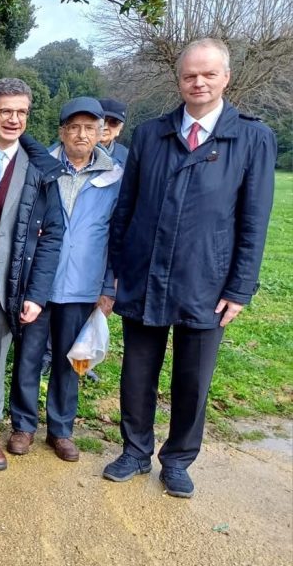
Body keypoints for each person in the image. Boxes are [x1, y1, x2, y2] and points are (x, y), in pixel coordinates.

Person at [104, 38, 276, 497]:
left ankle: (178, 459)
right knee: (137, 371)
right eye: (189, 75)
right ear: (178, 80)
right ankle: (135, 451)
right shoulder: (149, 134)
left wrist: (240, 288)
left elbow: (254, 220)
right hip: (144, 274)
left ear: (226, 78)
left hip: (207, 278)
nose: (198, 83)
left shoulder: (252, 137)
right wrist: (118, 266)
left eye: (208, 74)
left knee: (193, 379)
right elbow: (126, 207)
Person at [8, 98, 123, 461]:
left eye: (90, 127)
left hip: (84, 285)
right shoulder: (39, 166)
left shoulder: (115, 175)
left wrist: (108, 288)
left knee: (71, 360)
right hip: (38, 284)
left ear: (101, 132)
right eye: (74, 127)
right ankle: (23, 426)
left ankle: (61, 428)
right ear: (62, 131)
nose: (82, 134)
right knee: (28, 356)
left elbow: (116, 236)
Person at [0, 78, 65, 471]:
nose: (14, 119)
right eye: (5, 111)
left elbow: (54, 233)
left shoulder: (41, 170)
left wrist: (37, 294)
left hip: (9, 279)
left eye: (21, 112)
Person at [98, 98, 129, 166]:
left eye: (114, 122)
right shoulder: (76, 150)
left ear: (120, 128)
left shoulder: (127, 157)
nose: (105, 127)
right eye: (101, 120)